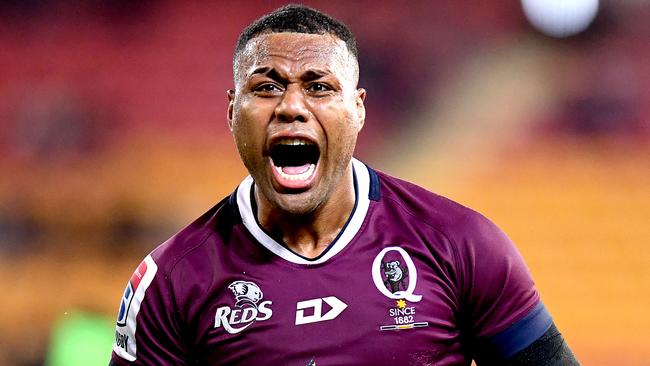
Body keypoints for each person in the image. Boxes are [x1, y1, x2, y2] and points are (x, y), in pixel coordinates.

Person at [109, 5, 579, 365]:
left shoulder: (464, 245)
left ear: (358, 109)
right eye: (267, 87)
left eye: (318, 87)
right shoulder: (170, 282)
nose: (292, 106)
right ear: (232, 110)